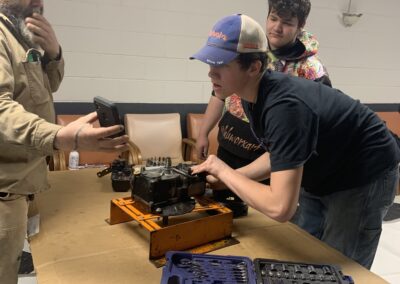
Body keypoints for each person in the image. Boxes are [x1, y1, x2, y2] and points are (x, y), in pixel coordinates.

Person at [190, 14, 400, 269]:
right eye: (209, 64)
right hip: (323, 167)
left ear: (254, 67)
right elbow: (280, 153)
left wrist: (224, 170)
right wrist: (231, 177)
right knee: (303, 245)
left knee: (340, 263)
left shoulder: (284, 106)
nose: (211, 72)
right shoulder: (251, 93)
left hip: (363, 171)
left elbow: (280, 208)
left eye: (221, 65)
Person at [0, 1, 129, 283]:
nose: (38, 2)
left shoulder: (19, 34)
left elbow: (49, 86)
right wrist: (59, 136)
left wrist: (54, 53)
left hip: (22, 183)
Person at [196, 0, 331, 217]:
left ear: (301, 25)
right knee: (219, 214)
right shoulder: (247, 49)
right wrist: (203, 133)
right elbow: (219, 93)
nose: (277, 27)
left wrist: (232, 175)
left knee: (258, 221)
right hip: (229, 149)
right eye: (273, 18)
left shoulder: (312, 70)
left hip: (267, 159)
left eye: (286, 22)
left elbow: (310, 130)